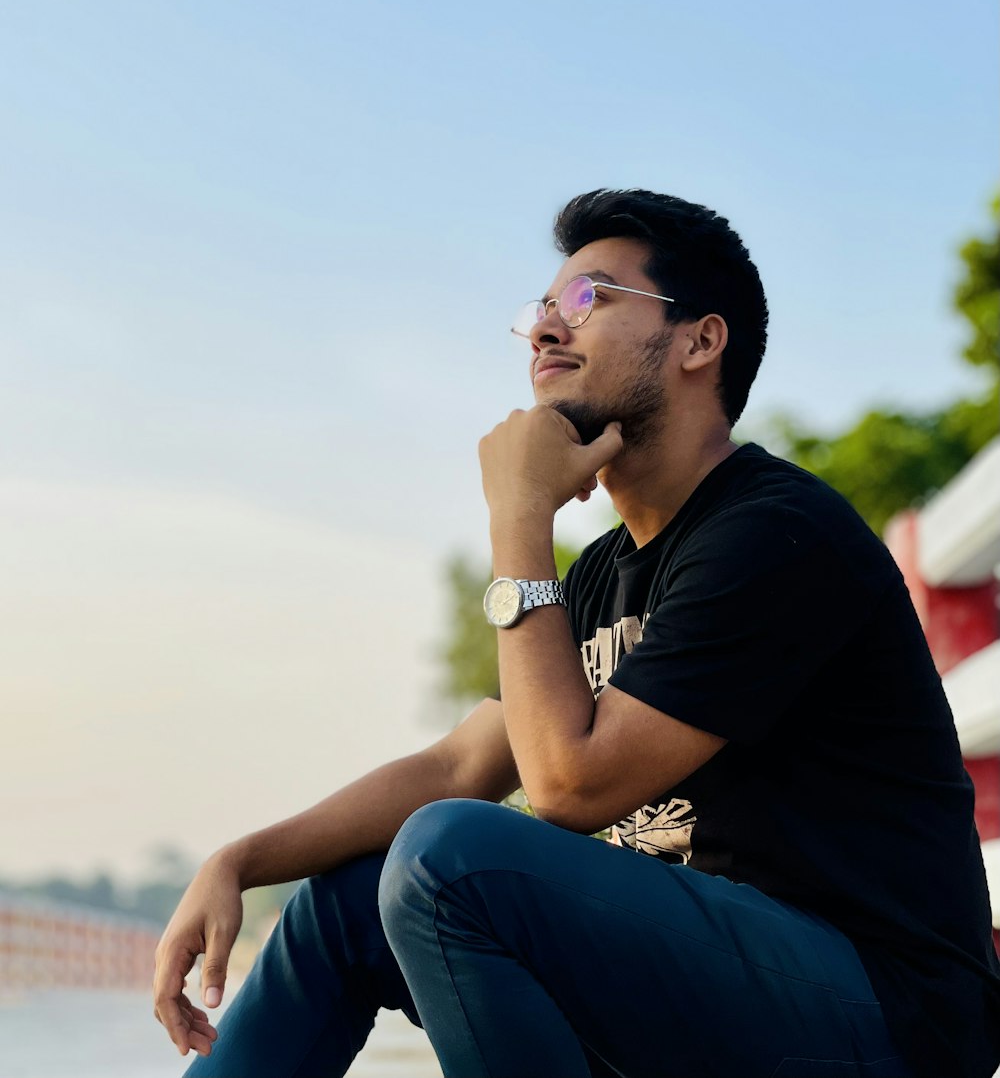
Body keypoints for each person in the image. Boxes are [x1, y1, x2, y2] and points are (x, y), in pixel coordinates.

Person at [153, 189, 1000, 1078]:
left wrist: (518, 515)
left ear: (699, 341)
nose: (546, 331)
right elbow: (458, 766)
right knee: (347, 900)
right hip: (707, 988)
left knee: (452, 859)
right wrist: (239, 863)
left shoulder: (777, 533)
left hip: (883, 1015)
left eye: (590, 299)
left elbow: (566, 785)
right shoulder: (602, 574)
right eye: (541, 311)